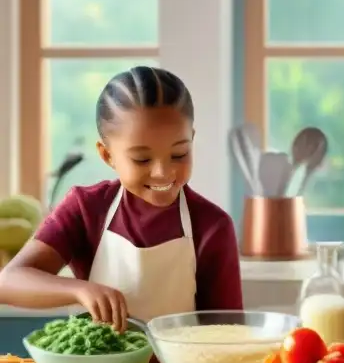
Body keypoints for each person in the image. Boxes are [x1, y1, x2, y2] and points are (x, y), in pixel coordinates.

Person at [0, 67, 243, 330]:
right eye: (142, 159)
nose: (162, 173)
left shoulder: (212, 225)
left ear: (191, 140)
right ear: (107, 155)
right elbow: (9, 282)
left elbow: (226, 336)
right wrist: (81, 290)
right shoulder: (85, 208)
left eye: (179, 154)